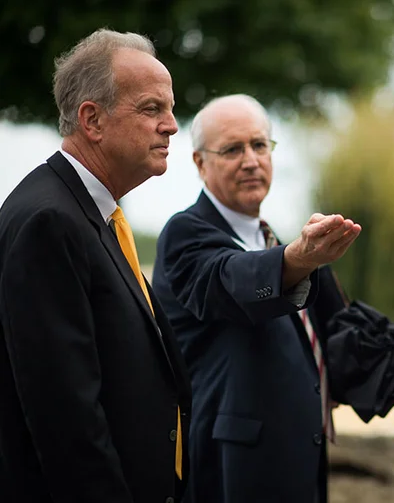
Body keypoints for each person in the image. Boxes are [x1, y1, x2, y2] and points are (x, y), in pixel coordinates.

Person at [0, 29, 192, 503]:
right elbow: (66, 419)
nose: (171, 125)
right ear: (93, 120)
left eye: (170, 109)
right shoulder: (51, 221)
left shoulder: (90, 213)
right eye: (152, 109)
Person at [151, 94, 362, 503]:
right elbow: (233, 281)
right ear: (199, 163)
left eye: (259, 145)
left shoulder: (271, 238)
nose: (250, 160)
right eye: (232, 149)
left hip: (300, 459)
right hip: (236, 468)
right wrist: (296, 259)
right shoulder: (185, 234)